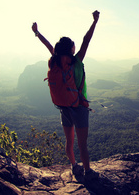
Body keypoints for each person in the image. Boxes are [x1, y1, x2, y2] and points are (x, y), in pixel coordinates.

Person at [32, 10, 100, 181]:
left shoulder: (55, 59)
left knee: (69, 141)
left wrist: (36, 32)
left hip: (63, 107)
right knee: (82, 143)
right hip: (78, 106)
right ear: (71, 49)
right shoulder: (76, 61)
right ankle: (88, 172)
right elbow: (86, 40)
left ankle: (74, 166)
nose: (75, 48)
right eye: (73, 46)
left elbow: (47, 44)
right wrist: (95, 22)